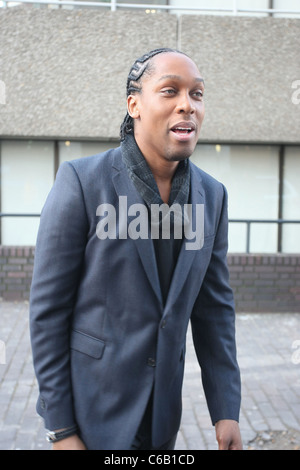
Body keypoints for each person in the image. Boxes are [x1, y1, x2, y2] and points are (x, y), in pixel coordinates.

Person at [30, 48, 242, 451]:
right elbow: (48, 313)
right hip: (91, 414)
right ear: (134, 105)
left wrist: (225, 408)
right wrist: (60, 429)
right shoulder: (81, 181)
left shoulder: (212, 196)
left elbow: (214, 309)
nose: (187, 105)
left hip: (162, 417)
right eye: (170, 91)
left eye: (197, 94)